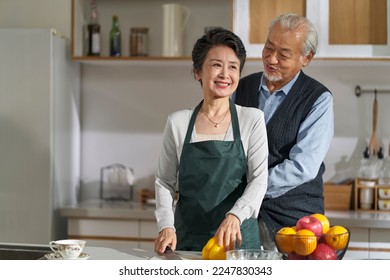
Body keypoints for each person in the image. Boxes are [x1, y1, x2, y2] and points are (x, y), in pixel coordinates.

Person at [154, 28, 268, 254]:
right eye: (216, 65)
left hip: (238, 243)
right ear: (197, 71)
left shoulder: (252, 119)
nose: (225, 74)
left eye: (233, 67)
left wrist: (236, 215)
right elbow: (164, 182)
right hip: (188, 242)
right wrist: (166, 225)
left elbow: (259, 179)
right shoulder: (178, 122)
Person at [233, 14, 334, 245]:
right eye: (268, 47)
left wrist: (253, 189)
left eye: (284, 54)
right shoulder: (240, 87)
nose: (271, 58)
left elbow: (303, 166)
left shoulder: (318, 99)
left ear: (306, 58)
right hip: (243, 216)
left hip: (296, 223)